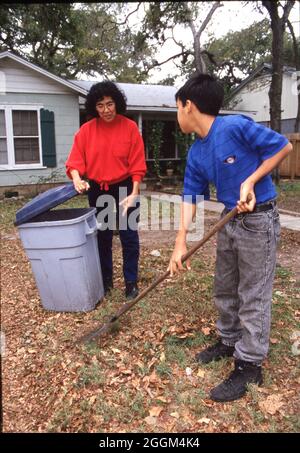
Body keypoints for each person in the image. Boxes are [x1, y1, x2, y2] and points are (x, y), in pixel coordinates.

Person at [168, 74, 292, 402]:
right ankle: (228, 339)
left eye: (176, 107)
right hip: (229, 220)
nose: (176, 115)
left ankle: (250, 363)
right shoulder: (196, 153)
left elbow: (284, 146)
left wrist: (250, 180)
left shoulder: (234, 127)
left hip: (259, 220)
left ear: (188, 105)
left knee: (253, 293)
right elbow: (190, 198)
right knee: (225, 286)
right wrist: (181, 241)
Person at [66, 81, 147, 299]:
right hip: (98, 191)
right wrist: (76, 178)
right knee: (102, 237)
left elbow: (138, 165)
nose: (106, 110)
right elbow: (74, 162)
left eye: (110, 104)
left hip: (125, 188)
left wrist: (134, 192)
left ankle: (131, 283)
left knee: (129, 237)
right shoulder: (86, 131)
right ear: (94, 107)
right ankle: (106, 282)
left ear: (117, 103)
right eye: (100, 105)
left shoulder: (129, 127)